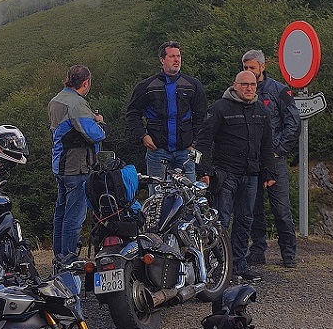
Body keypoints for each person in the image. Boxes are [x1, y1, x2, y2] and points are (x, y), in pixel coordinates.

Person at [193, 70, 276, 281]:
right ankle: (219, 267)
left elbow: (266, 145)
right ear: (235, 85)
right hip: (225, 175)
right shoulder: (220, 108)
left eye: (253, 84)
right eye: (245, 84)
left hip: (251, 176)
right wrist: (203, 171)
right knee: (221, 221)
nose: (249, 88)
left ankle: (239, 265)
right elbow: (203, 141)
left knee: (245, 221)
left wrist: (269, 172)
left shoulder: (261, 111)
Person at [242, 49, 301, 268]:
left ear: (262, 67)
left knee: (281, 209)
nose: (249, 73)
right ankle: (257, 251)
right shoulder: (241, 92)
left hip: (274, 160)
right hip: (250, 160)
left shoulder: (278, 91)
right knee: (252, 208)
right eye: (245, 68)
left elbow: (293, 124)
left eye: (252, 68)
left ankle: (288, 253)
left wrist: (277, 150)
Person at [124, 40, 208, 182]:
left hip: (185, 151)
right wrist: (143, 136)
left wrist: (194, 141)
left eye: (179, 56)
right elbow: (132, 114)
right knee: (158, 196)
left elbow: (201, 116)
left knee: (188, 197)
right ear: (162, 60)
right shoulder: (147, 86)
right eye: (172, 56)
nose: (176, 60)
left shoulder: (193, 85)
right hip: (157, 151)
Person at [48, 65, 106, 269]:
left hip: (60, 165)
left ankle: (59, 256)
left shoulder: (56, 100)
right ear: (86, 82)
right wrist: (99, 123)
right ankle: (69, 259)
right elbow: (94, 134)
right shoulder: (78, 105)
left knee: (61, 213)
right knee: (74, 216)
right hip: (77, 167)